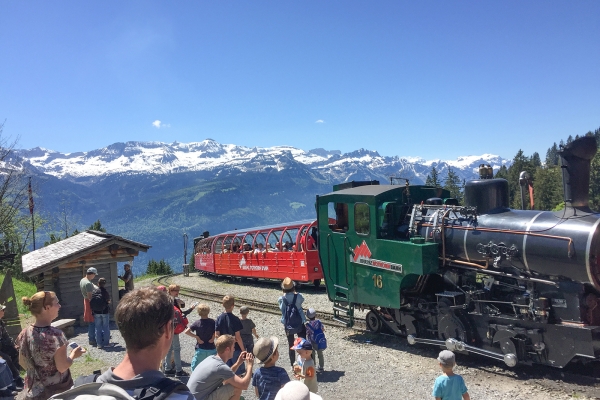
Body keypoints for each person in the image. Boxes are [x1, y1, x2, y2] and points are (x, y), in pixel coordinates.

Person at [17, 291, 86, 399]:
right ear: (47, 307)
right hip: (54, 393)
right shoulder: (56, 335)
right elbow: (62, 367)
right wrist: (73, 354)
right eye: (57, 303)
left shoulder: (24, 333)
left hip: (32, 392)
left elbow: (22, 362)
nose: (59, 306)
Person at [187, 334, 254, 400]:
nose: (234, 350)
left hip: (191, 397)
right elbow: (244, 385)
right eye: (233, 347)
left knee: (232, 381)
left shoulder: (211, 359)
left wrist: (238, 363)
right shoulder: (220, 367)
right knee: (237, 387)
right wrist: (250, 365)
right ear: (227, 349)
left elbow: (226, 376)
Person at [278, 277, 307, 368]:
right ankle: (305, 361)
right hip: (300, 321)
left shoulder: (281, 299)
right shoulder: (298, 296)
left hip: (288, 323)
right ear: (293, 287)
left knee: (290, 344)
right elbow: (302, 300)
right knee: (302, 342)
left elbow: (282, 310)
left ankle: (292, 364)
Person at [215, 295, 246, 376]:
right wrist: (243, 350)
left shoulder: (219, 318)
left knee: (226, 371)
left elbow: (217, 335)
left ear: (223, 305)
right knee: (237, 370)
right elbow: (238, 337)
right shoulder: (235, 319)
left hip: (224, 348)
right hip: (235, 348)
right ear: (233, 306)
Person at [165, 284, 189, 377]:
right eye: (175, 290)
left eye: (178, 290)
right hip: (173, 328)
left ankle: (167, 369)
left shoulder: (167, 299)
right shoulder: (172, 301)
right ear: (170, 291)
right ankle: (178, 371)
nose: (177, 292)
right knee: (176, 349)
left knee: (169, 349)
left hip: (168, 328)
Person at [185, 303, 216, 371]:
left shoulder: (197, 323)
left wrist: (197, 337)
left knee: (195, 367)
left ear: (198, 313)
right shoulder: (213, 322)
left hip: (200, 348)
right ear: (208, 312)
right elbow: (217, 331)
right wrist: (213, 337)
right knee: (211, 367)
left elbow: (186, 332)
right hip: (211, 348)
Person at [0, 304, 24, 391]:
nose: (4, 311)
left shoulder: (1, 322)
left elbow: (6, 336)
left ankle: (16, 376)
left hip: (2, 346)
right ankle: (13, 381)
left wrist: (13, 345)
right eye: (2, 310)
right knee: (6, 358)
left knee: (15, 352)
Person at [91, 277, 112, 349]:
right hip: (105, 311)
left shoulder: (94, 291)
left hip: (96, 312)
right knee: (106, 327)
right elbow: (108, 301)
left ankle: (99, 344)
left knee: (98, 328)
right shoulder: (105, 292)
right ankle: (106, 343)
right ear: (104, 284)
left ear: (98, 284)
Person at [80, 267, 98, 346]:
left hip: (85, 300)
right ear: (92, 274)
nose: (94, 276)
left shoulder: (83, 280)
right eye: (94, 275)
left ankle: (92, 337)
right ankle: (92, 339)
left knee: (91, 321)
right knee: (92, 321)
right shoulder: (87, 283)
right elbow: (90, 296)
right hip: (89, 302)